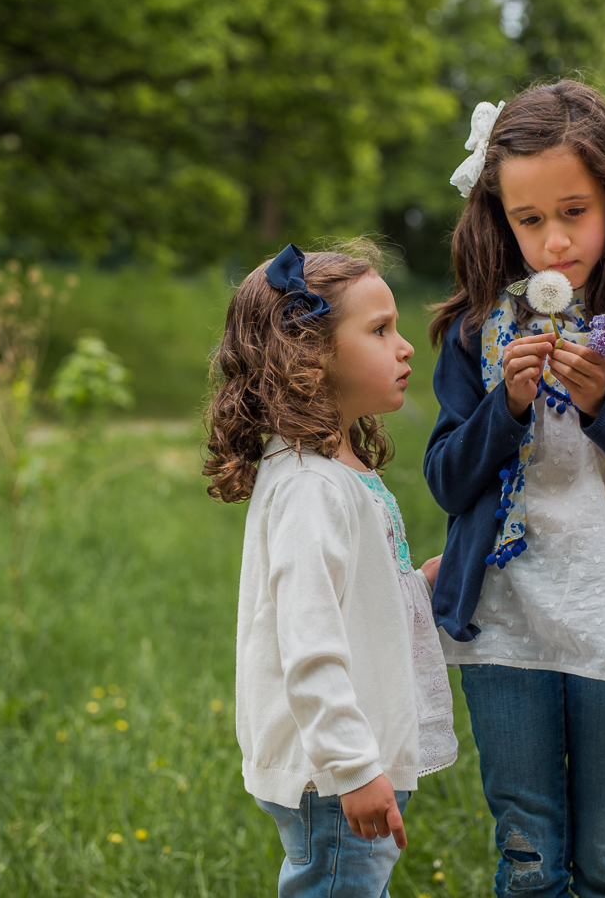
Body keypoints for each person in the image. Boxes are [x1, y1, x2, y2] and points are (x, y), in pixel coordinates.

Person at [419, 80, 605, 898]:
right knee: (526, 859)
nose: (553, 241)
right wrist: (504, 407)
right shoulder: (479, 333)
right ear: (501, 220)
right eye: (529, 219)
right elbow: (446, 476)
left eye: (574, 211)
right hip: (504, 622)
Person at [205, 243, 457, 898]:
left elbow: (352, 601)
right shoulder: (312, 486)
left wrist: (419, 588)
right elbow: (307, 641)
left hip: (341, 767)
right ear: (308, 356)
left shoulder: (338, 469)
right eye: (379, 331)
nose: (404, 347)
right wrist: (353, 768)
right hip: (333, 773)